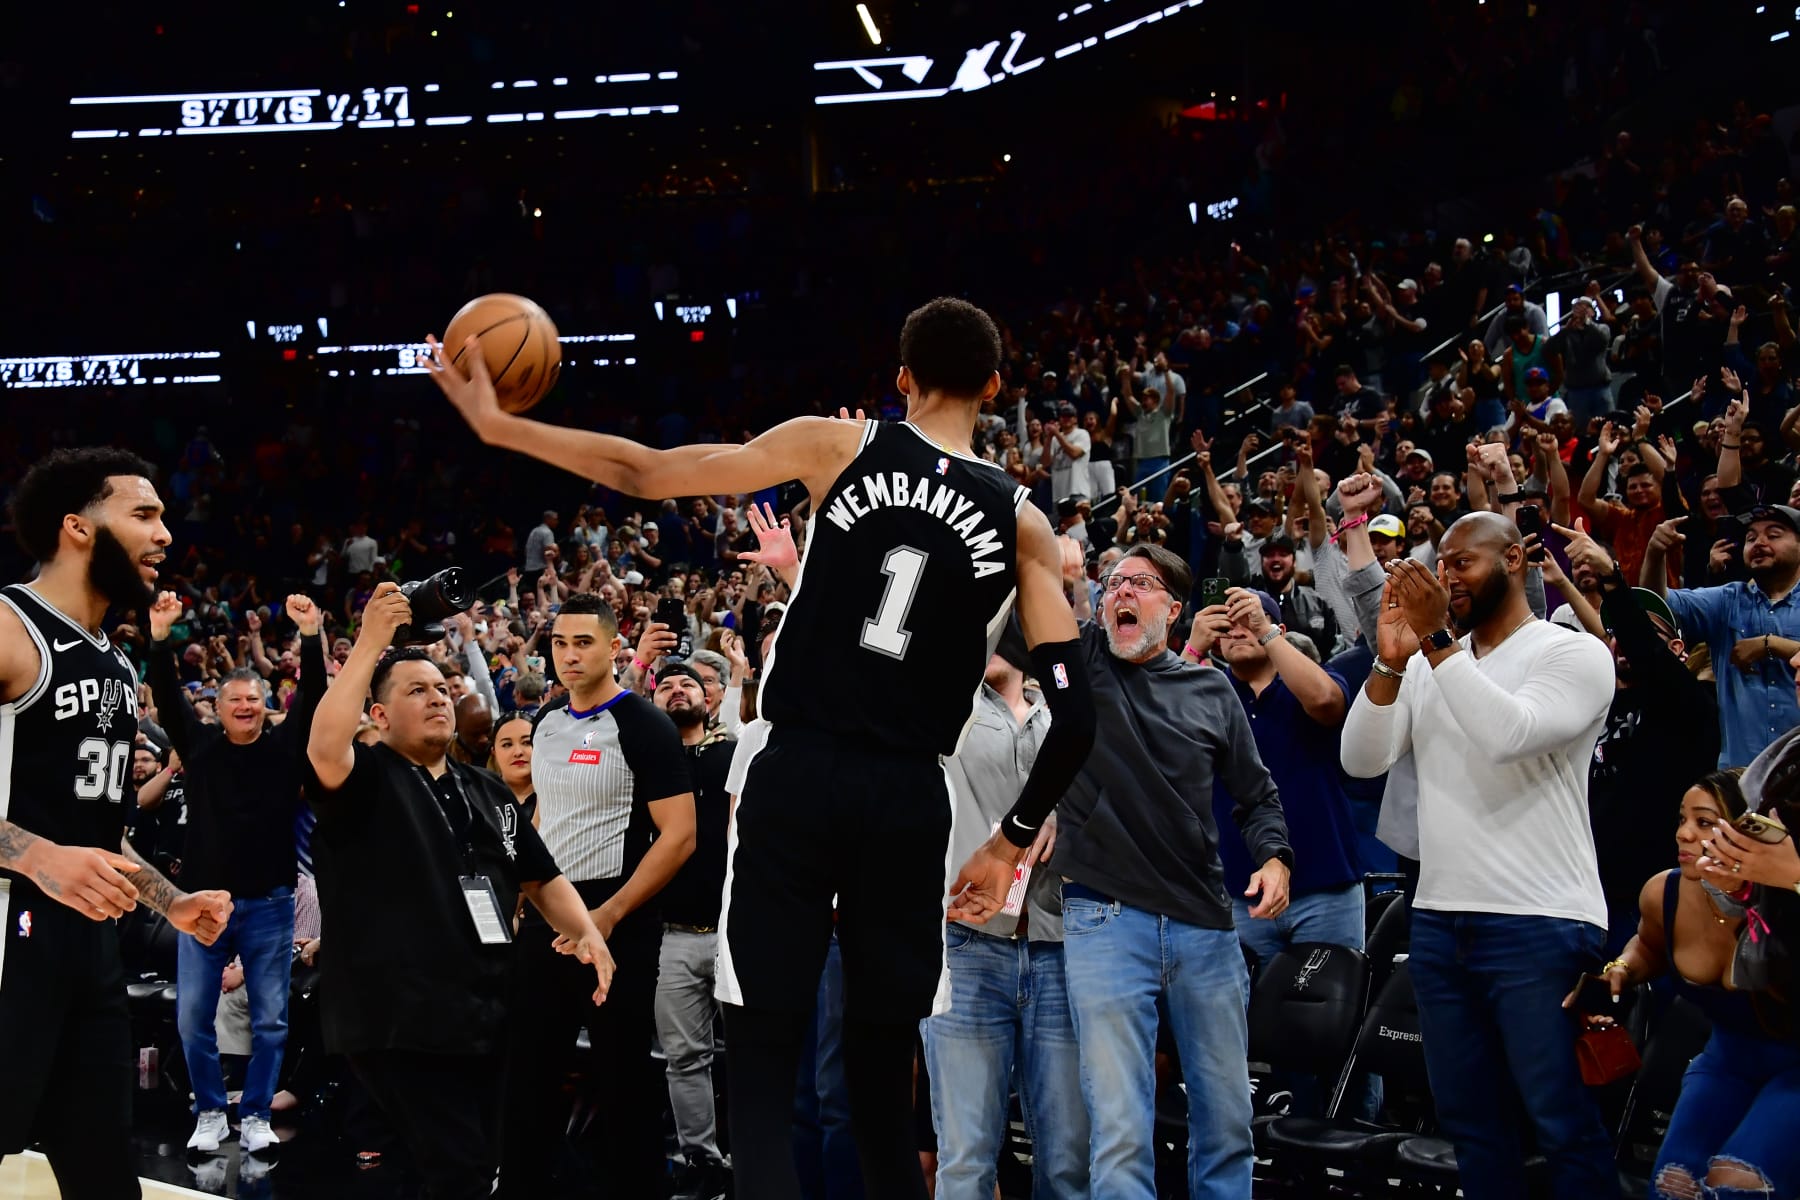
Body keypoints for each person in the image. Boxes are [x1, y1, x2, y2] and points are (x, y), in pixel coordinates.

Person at [428, 295, 1096, 1200]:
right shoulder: (1024, 520)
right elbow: (1075, 713)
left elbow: (645, 470)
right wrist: (1010, 838)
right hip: (910, 796)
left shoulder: (839, 443)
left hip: (796, 774)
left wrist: (505, 427)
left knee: (766, 1061)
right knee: (880, 1076)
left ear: (900, 379)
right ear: (995, 385)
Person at [1341, 512, 1618, 1200]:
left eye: (1463, 563)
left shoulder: (1571, 652)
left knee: (1560, 1122)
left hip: (1539, 920)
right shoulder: (1437, 662)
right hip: (1438, 918)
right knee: (1470, 1122)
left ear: (1517, 558)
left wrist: (1435, 644)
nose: (1448, 579)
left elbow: (1507, 732)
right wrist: (1387, 663)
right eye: (1442, 565)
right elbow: (1361, 759)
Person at [304, 584, 610, 1200]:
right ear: (380, 716)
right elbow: (322, 744)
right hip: (397, 1013)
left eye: (443, 689)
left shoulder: (487, 791)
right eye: (417, 691)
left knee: (470, 1166)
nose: (438, 699)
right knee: (462, 1168)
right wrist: (370, 642)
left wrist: (588, 934)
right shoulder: (362, 779)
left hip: (482, 1007)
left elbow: (542, 877)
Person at [0, 447, 233, 1199]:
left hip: (88, 954)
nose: (166, 533)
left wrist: (172, 900)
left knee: (104, 1172)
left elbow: (98, 836)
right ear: (77, 527)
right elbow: (55, 848)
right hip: (9, 939)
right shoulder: (8, 628)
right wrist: (38, 858)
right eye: (144, 514)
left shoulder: (116, 665)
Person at [1058, 544, 1292, 1200]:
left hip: (1206, 926)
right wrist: (1069, 577)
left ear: (1175, 607)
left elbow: (1257, 796)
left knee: (1226, 1121)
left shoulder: (1212, 690)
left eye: (1141, 584)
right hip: (1102, 917)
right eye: (1115, 584)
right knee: (1120, 1127)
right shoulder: (1083, 660)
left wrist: (1275, 858)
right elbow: (1022, 616)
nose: (1122, 594)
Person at [502, 592, 697, 1200]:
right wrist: (521, 896)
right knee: (529, 1073)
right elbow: (542, 818)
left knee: (621, 1078)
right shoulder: (546, 723)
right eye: (559, 643)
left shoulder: (644, 723)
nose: (567, 655)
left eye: (582, 642)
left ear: (615, 647)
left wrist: (608, 915)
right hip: (546, 918)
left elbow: (681, 835)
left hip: (619, 920)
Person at [146, 585, 328, 1156]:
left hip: (271, 906)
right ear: (219, 709)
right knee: (192, 1018)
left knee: (272, 1021)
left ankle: (252, 1114)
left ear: (264, 704)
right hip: (202, 906)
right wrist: (158, 638)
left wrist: (310, 635)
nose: (246, 707)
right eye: (235, 701)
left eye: (254, 699)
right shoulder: (198, 748)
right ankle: (207, 1111)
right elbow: (170, 696)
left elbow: (315, 695)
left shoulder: (283, 748)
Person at [1580, 771, 1799, 1200]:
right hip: (1728, 1060)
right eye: (1682, 819)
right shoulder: (1665, 891)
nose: (1683, 833)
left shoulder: (1788, 901)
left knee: (1738, 1184)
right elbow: (1648, 945)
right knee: (1673, 1186)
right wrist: (1621, 967)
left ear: (1750, 833)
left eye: (1704, 822)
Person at [924, 646, 1085, 1200]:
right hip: (965, 945)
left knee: (1068, 1158)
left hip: (1060, 945)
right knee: (966, 1158)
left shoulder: (1069, 717)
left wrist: (1061, 815)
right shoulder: (939, 704)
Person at [1552, 522, 1721, 952]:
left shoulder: (1690, 706)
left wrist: (1612, 580)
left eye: (1642, 633)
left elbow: (1650, 657)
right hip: (1581, 893)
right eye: (1614, 634)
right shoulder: (1590, 708)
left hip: (1654, 899)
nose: (1622, 641)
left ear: (1678, 650)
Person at [651, 661, 738, 1200]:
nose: (678, 690)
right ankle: (701, 1158)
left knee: (755, 1055)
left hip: (736, 930)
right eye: (665, 685)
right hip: (672, 934)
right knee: (684, 1058)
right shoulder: (645, 763)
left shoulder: (732, 756)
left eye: (689, 683)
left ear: (710, 698)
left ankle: (751, 1152)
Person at [1642, 504, 1800, 768]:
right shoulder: (1728, 600)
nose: (1759, 542)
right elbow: (1657, 605)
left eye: (1774, 535)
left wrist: (1770, 645)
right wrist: (1655, 554)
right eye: (1751, 538)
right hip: (1740, 773)